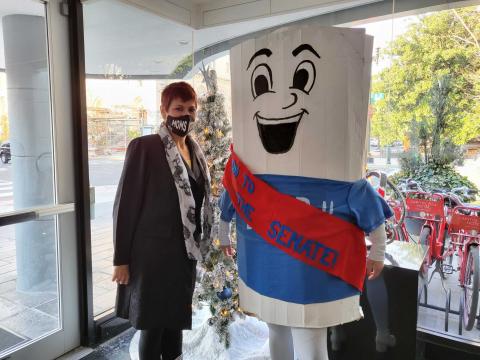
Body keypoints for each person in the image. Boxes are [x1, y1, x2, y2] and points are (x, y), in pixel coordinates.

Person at [111, 81, 213, 360]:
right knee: (153, 326)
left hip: (183, 255)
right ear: (163, 110)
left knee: (176, 322)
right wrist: (121, 258)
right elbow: (125, 206)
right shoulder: (145, 147)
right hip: (152, 256)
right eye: (178, 108)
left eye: (191, 109)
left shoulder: (196, 152)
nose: (185, 115)